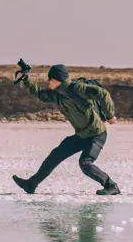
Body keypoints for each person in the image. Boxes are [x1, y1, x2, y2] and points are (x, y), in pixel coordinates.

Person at [13, 63, 121, 196]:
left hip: (96, 135)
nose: (48, 82)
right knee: (56, 155)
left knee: (85, 163)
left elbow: (103, 93)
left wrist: (110, 115)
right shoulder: (56, 94)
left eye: (50, 79)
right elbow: (40, 94)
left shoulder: (78, 88)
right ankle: (31, 184)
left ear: (58, 80)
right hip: (81, 136)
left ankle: (111, 186)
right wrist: (26, 79)